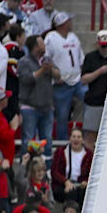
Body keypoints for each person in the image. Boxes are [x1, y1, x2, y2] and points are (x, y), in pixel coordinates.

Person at [43, 11, 84, 141]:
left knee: (90, 100)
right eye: (69, 21)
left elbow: (80, 57)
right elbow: (45, 59)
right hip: (62, 84)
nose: (71, 23)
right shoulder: (51, 38)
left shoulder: (73, 37)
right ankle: (63, 143)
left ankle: (81, 133)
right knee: (62, 116)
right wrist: (53, 73)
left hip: (77, 81)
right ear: (62, 24)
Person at [15, 34, 52, 149]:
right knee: (29, 140)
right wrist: (42, 70)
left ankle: (47, 166)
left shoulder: (47, 60)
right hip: (29, 107)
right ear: (35, 47)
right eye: (41, 43)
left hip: (47, 107)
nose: (44, 45)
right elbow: (25, 79)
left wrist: (51, 69)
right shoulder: (23, 61)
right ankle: (27, 165)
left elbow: (59, 76)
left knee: (47, 139)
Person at [80, 29, 107, 149]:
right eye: (103, 46)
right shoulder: (90, 57)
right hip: (94, 102)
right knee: (90, 137)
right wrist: (100, 71)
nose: (105, 49)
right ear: (98, 44)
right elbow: (83, 79)